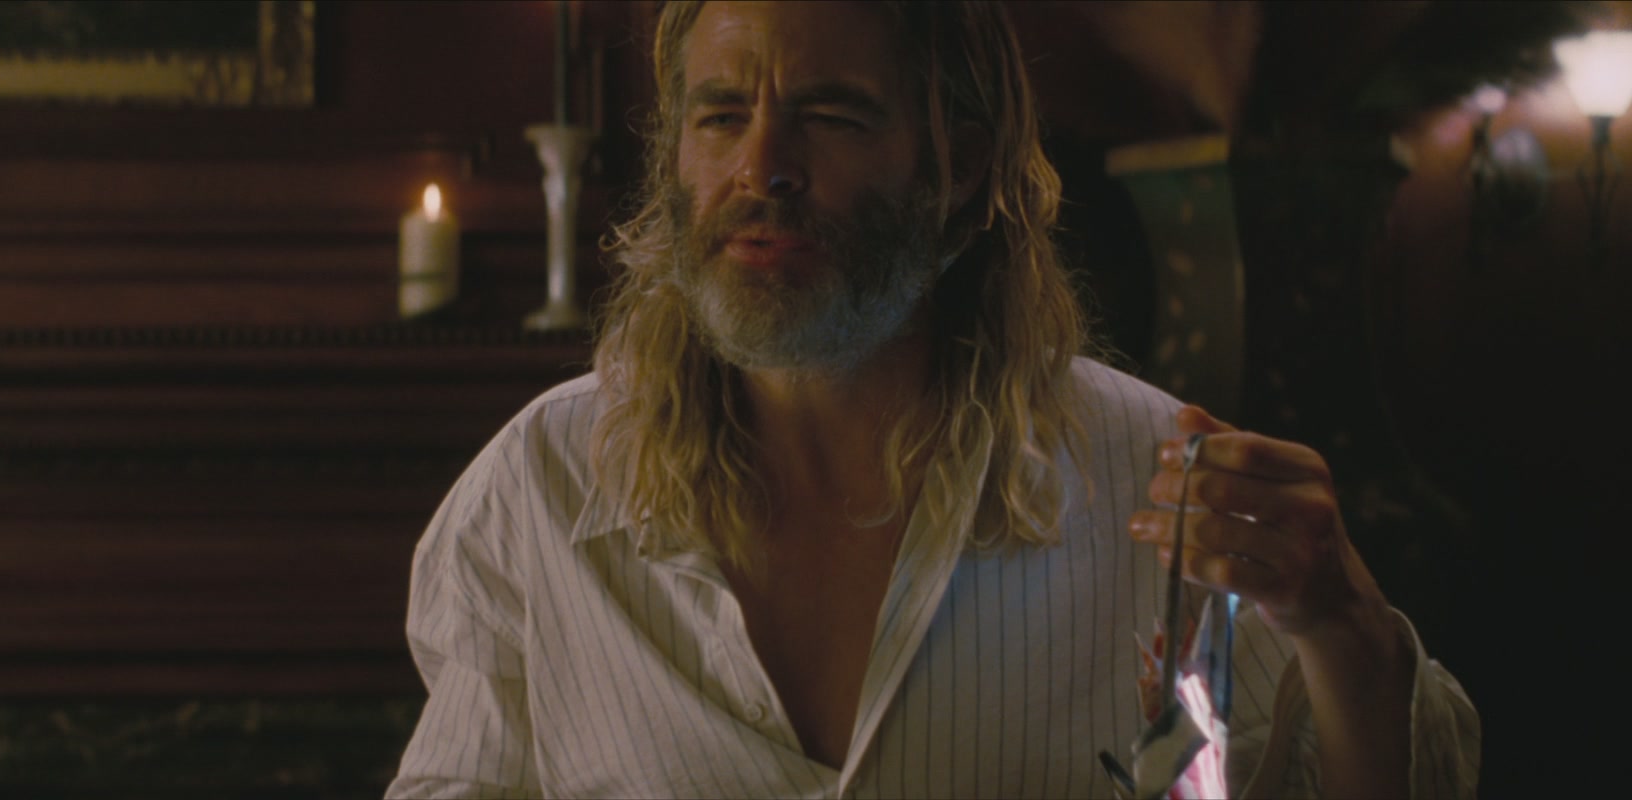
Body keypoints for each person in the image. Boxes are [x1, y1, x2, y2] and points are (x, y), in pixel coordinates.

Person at [386, 1, 1478, 797]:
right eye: (720, 115)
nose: (763, 166)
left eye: (832, 115)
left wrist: (1343, 625)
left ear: (958, 161)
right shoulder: (541, 488)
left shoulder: (1155, 485)